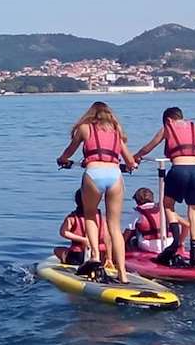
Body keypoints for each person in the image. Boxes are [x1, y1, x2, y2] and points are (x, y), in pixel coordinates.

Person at [56, 101, 137, 282]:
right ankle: (122, 274)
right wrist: (130, 165)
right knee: (114, 226)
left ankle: (94, 257)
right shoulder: (116, 131)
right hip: (115, 175)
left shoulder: (85, 128)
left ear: (91, 114)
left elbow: (68, 152)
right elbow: (130, 161)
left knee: (90, 215)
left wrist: (62, 159)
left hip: (93, 173)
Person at [132, 107, 195, 266]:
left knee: (168, 204)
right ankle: (194, 255)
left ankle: (175, 242)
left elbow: (148, 147)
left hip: (179, 170)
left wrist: (136, 157)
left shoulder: (168, 127)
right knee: (194, 211)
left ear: (168, 119)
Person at [122, 186, 187, 254]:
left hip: (151, 246)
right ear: (152, 198)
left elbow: (128, 232)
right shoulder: (164, 209)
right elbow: (187, 225)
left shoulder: (137, 213)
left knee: (134, 229)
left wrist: (121, 243)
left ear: (137, 201)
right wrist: (180, 242)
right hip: (170, 243)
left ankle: (129, 249)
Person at [54, 189, 109, 266]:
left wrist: (83, 240)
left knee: (57, 250)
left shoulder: (73, 217)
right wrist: (109, 257)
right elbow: (107, 237)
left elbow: (63, 232)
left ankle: (66, 259)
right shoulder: (101, 217)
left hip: (78, 255)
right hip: (101, 255)